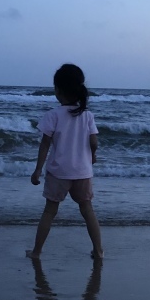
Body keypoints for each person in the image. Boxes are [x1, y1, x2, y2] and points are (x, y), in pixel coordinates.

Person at [27, 64, 104, 259]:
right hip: (82, 172)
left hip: (59, 172)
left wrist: (37, 170)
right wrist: (92, 156)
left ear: (58, 90)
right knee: (87, 210)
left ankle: (36, 252)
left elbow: (45, 145)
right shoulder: (87, 115)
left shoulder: (53, 115)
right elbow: (94, 142)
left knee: (50, 212)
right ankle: (99, 250)